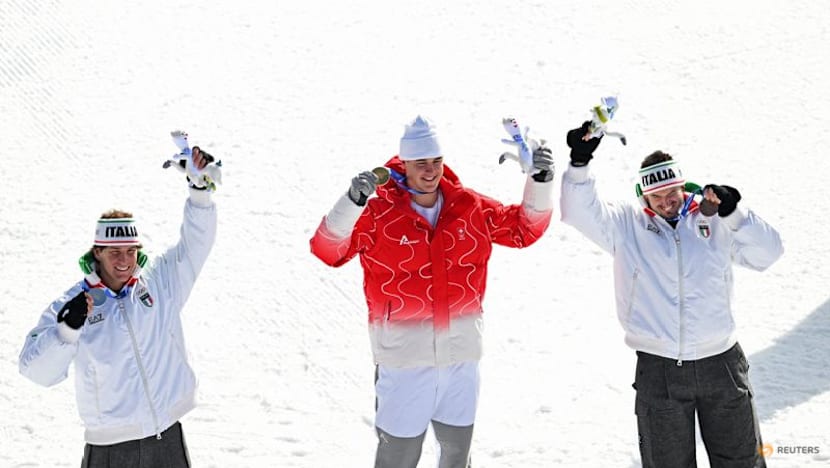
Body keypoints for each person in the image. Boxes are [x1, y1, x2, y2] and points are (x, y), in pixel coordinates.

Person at [310, 115, 554, 468]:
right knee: (397, 460)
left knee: (456, 457)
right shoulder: (378, 213)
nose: (430, 171)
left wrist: (541, 181)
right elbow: (326, 249)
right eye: (420, 163)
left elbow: (524, 229)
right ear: (404, 164)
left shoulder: (468, 206)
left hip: (461, 363)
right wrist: (351, 201)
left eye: (436, 161)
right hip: (404, 365)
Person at [559, 121, 783, 468]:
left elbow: (768, 254)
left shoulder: (713, 220)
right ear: (643, 196)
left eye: (672, 194)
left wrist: (736, 213)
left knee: (742, 461)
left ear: (683, 186)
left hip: (721, 363)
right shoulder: (626, 225)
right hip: (659, 368)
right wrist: (579, 164)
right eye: (657, 197)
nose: (666, 203)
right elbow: (576, 211)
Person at [18, 132, 221, 468]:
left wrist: (200, 195)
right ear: (97, 252)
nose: (124, 261)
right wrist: (65, 334)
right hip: (111, 449)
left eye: (130, 251)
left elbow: (195, 245)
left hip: (166, 437)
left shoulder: (159, 283)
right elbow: (35, 371)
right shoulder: (74, 304)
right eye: (114, 253)